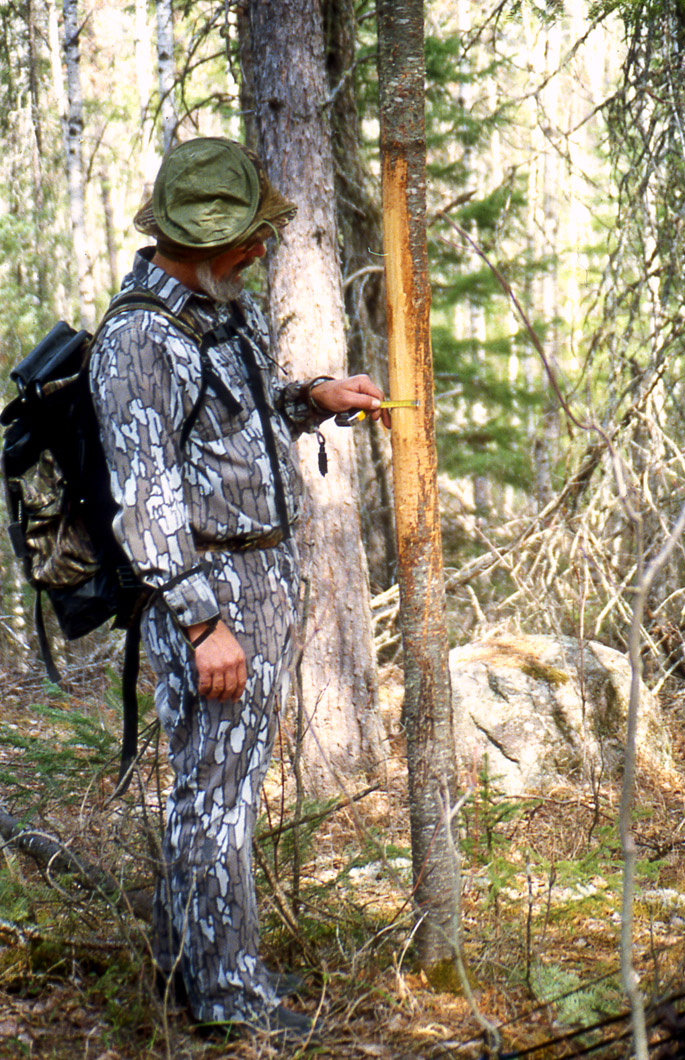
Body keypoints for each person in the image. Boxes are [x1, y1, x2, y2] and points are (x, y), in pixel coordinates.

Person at [90, 137, 388, 1040]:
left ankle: (196, 962)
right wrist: (204, 623)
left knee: (223, 786)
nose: (261, 249)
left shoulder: (226, 310)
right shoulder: (141, 340)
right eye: (247, 238)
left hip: (262, 571)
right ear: (196, 240)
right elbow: (144, 502)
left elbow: (242, 420)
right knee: (214, 796)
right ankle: (229, 1003)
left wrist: (317, 398)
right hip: (210, 590)